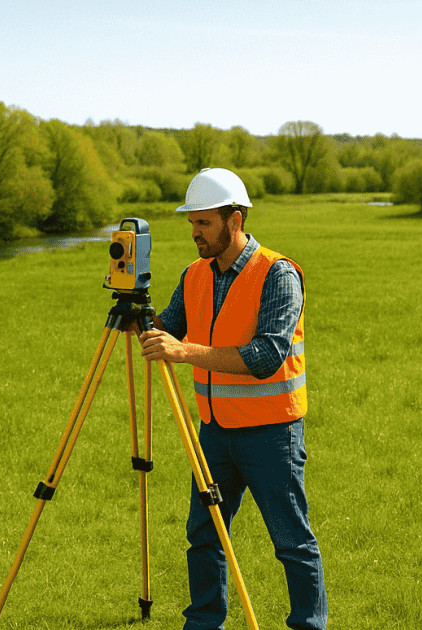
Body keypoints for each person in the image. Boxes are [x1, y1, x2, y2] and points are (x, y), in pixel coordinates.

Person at [138, 168, 327, 630]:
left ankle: (308, 625)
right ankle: (204, 623)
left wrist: (185, 352)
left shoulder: (278, 274)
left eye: (203, 224)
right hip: (214, 432)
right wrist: (138, 313)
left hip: (270, 434)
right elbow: (170, 327)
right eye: (192, 224)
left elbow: (267, 356)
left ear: (235, 219)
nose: (195, 234)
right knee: (204, 535)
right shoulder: (194, 274)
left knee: (291, 541)